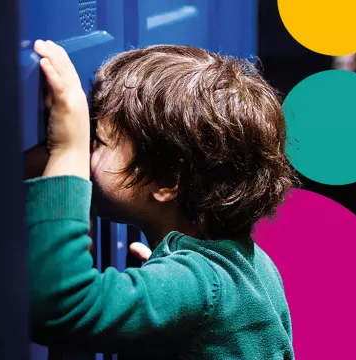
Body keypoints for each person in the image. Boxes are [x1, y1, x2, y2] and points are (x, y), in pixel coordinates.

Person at [24, 39, 298, 359]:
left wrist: (66, 149)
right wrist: (158, 286)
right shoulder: (253, 264)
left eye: (97, 141)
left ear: (167, 181)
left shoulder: (197, 285)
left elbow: (58, 305)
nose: (86, 153)